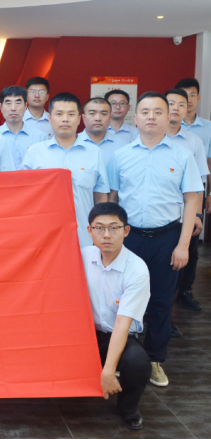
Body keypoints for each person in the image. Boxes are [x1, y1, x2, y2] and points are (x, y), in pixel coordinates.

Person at [107, 91, 203, 388]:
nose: (151, 117)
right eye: (145, 112)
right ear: (135, 118)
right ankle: (119, 359)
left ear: (169, 116)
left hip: (167, 237)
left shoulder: (182, 155)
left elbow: (191, 200)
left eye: (158, 112)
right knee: (121, 299)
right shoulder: (120, 156)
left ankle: (155, 360)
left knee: (161, 300)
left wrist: (183, 245)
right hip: (129, 238)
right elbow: (112, 199)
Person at [83, 203, 151, 431]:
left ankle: (128, 408)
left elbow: (122, 324)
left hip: (118, 333)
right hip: (86, 333)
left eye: (113, 228)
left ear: (126, 230)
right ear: (89, 230)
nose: (106, 235)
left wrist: (109, 371)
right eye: (99, 228)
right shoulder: (82, 256)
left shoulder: (137, 269)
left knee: (137, 362)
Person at [21, 93, 109, 248]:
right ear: (50, 118)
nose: (65, 119)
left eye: (71, 114)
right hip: (43, 237)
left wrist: (101, 232)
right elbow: (24, 197)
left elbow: (100, 198)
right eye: (59, 114)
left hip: (83, 238)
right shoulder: (35, 153)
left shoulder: (94, 153)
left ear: (79, 119)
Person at [165, 89, 208, 314]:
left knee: (186, 257)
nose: (176, 108)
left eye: (181, 104)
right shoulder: (147, 135)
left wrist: (198, 215)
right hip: (159, 213)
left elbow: (199, 181)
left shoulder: (194, 141)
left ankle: (183, 293)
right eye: (171, 103)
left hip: (186, 212)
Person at [0, 86, 47, 170]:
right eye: (8, 103)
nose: (13, 108)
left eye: (18, 103)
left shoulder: (40, 137)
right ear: (1, 107)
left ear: (25, 106)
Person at [78, 98, 127, 166]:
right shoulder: (73, 143)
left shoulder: (122, 145)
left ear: (110, 117)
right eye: (92, 113)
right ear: (83, 118)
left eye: (103, 114)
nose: (98, 118)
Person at [176, 78, 211, 157]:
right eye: (185, 95)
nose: (189, 100)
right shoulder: (169, 125)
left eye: (192, 95)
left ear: (198, 98)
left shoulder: (209, 127)